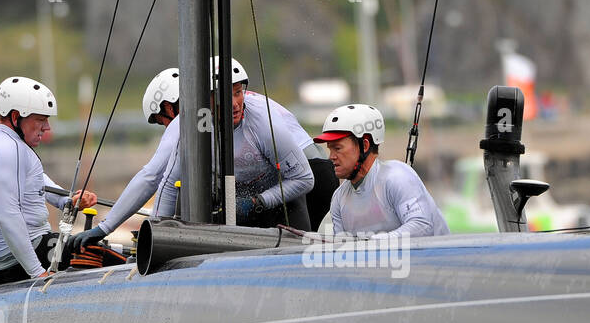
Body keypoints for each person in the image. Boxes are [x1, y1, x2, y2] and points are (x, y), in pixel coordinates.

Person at [0, 75, 96, 285]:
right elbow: (7, 215)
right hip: (27, 256)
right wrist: (37, 272)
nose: (47, 127)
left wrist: (68, 200)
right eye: (40, 119)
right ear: (15, 117)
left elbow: (36, 181)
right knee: (102, 252)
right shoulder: (11, 149)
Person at [153, 57, 314, 229]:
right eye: (224, 95)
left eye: (238, 92)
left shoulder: (264, 123)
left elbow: (304, 179)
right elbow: (169, 184)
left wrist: (257, 201)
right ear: (207, 98)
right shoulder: (198, 124)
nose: (235, 104)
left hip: (279, 203)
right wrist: (155, 230)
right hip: (236, 205)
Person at [69, 67, 181, 253]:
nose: (167, 129)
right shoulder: (241, 103)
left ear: (169, 107)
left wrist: (103, 228)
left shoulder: (182, 121)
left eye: (162, 122)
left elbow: (151, 176)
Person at [313, 103, 449, 236]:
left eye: (337, 148)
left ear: (365, 146)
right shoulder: (338, 198)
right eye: (329, 149)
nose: (331, 157)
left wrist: (374, 243)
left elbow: (422, 226)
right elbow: (341, 249)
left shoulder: (397, 177)